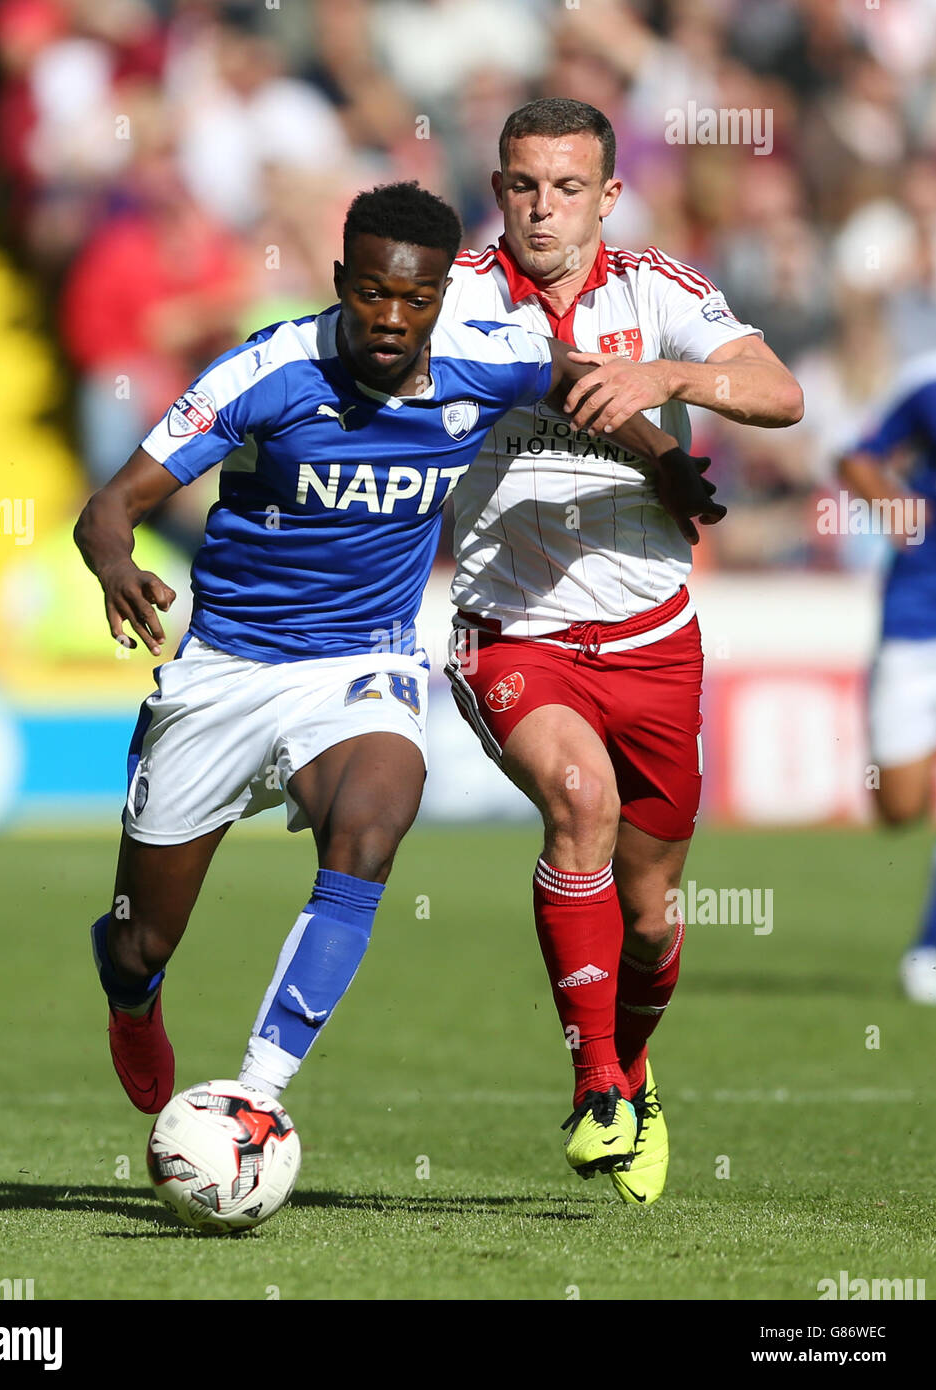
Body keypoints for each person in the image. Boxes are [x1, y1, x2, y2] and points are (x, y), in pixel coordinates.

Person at [75, 181, 721, 1124]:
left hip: (360, 665)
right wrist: (116, 565)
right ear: (341, 281)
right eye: (371, 293)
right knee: (141, 942)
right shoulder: (265, 371)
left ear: (440, 301)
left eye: (416, 299)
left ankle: (257, 1097)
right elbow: (109, 505)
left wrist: (661, 460)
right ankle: (131, 1002)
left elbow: (575, 376)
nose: (391, 317)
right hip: (227, 667)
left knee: (373, 822)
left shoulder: (482, 358)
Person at [441, 99, 804, 1203]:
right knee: (577, 803)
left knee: (648, 918)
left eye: (564, 187)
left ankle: (633, 1066)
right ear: (495, 186)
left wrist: (668, 378)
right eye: (519, 185)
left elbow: (779, 393)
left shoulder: (660, 291)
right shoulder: (449, 293)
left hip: (652, 639)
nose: (540, 208)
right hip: (511, 629)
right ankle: (596, 1083)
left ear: (608, 195)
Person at [838, 350, 936, 1004]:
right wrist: (895, 511)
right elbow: (856, 456)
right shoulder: (924, 379)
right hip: (916, 613)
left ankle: (928, 947)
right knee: (898, 808)